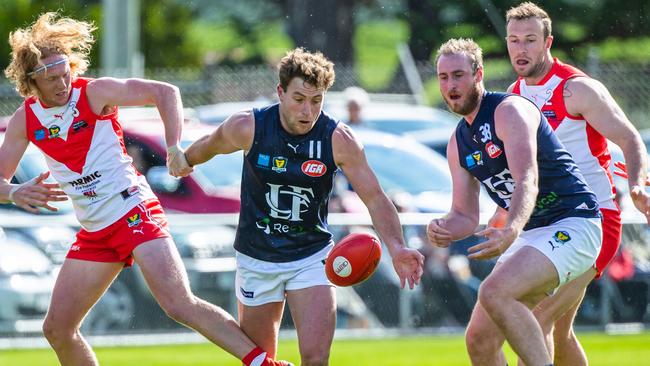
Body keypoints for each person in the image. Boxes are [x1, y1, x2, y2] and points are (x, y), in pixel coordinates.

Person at [0, 13, 292, 366]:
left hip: (133, 209)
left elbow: (165, 92)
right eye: (51, 79)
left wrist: (173, 147)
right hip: (95, 230)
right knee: (58, 330)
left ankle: (265, 364)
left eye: (65, 74)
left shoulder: (94, 92)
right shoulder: (26, 119)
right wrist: (14, 192)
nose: (62, 84)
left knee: (178, 303)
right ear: (31, 80)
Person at [181, 47, 425, 365]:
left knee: (316, 359)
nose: (307, 111)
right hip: (257, 258)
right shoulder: (249, 127)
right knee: (262, 360)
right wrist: (182, 160)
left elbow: (376, 198)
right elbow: (208, 145)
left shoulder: (338, 139)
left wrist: (397, 247)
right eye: (299, 99)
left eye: (316, 100)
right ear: (280, 92)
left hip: (311, 257)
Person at [465, 3, 650, 365]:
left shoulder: (576, 90)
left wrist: (637, 184)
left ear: (548, 42)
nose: (521, 49)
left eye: (530, 40)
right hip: (545, 225)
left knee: (533, 321)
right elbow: (521, 170)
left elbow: (630, 139)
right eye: (514, 40)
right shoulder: (512, 95)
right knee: (555, 332)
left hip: (592, 219)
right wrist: (501, 212)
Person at [427, 38, 603, 366]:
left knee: (495, 292)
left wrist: (510, 229)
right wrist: (442, 228)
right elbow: (465, 215)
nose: (451, 85)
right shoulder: (457, 143)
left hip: (573, 223)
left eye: (459, 75)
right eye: (443, 77)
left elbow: (527, 179)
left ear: (478, 74)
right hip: (531, 234)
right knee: (479, 340)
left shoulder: (509, 111)